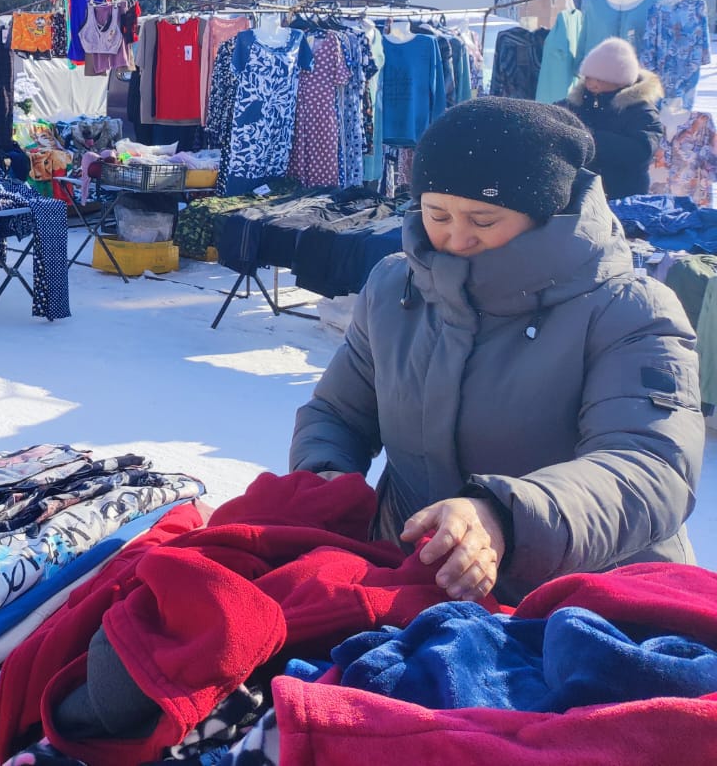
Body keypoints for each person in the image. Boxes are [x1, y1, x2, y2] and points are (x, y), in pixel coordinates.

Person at [290, 97, 702, 605]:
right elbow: (338, 412)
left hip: (584, 606)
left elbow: (649, 467)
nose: (455, 238)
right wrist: (325, 477)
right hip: (417, 587)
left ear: (547, 214)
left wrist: (506, 515)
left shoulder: (629, 309)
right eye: (436, 213)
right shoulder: (396, 285)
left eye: (483, 221)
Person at [561, 36, 663, 200]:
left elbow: (641, 151)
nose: (592, 84)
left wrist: (591, 138)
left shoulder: (641, 111)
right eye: (588, 77)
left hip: (623, 196)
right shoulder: (575, 104)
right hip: (580, 193)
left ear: (621, 81)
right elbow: (550, 116)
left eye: (600, 79)